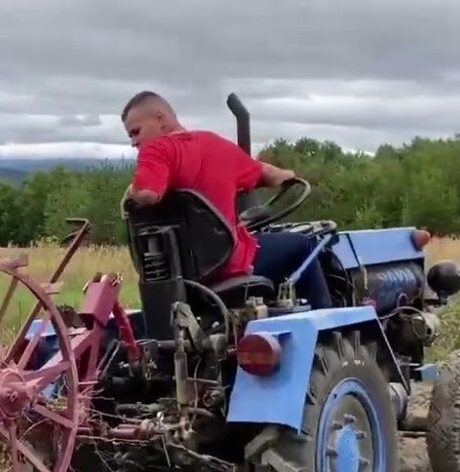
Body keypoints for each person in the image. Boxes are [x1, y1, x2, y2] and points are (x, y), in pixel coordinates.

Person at [119, 90, 332, 309]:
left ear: (160, 118)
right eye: (131, 136)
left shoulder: (156, 152)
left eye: (136, 132)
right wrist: (288, 176)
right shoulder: (206, 145)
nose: (134, 142)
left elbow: (147, 194)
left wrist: (130, 194)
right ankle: (330, 323)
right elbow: (147, 194)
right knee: (304, 244)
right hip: (228, 267)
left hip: (177, 275)